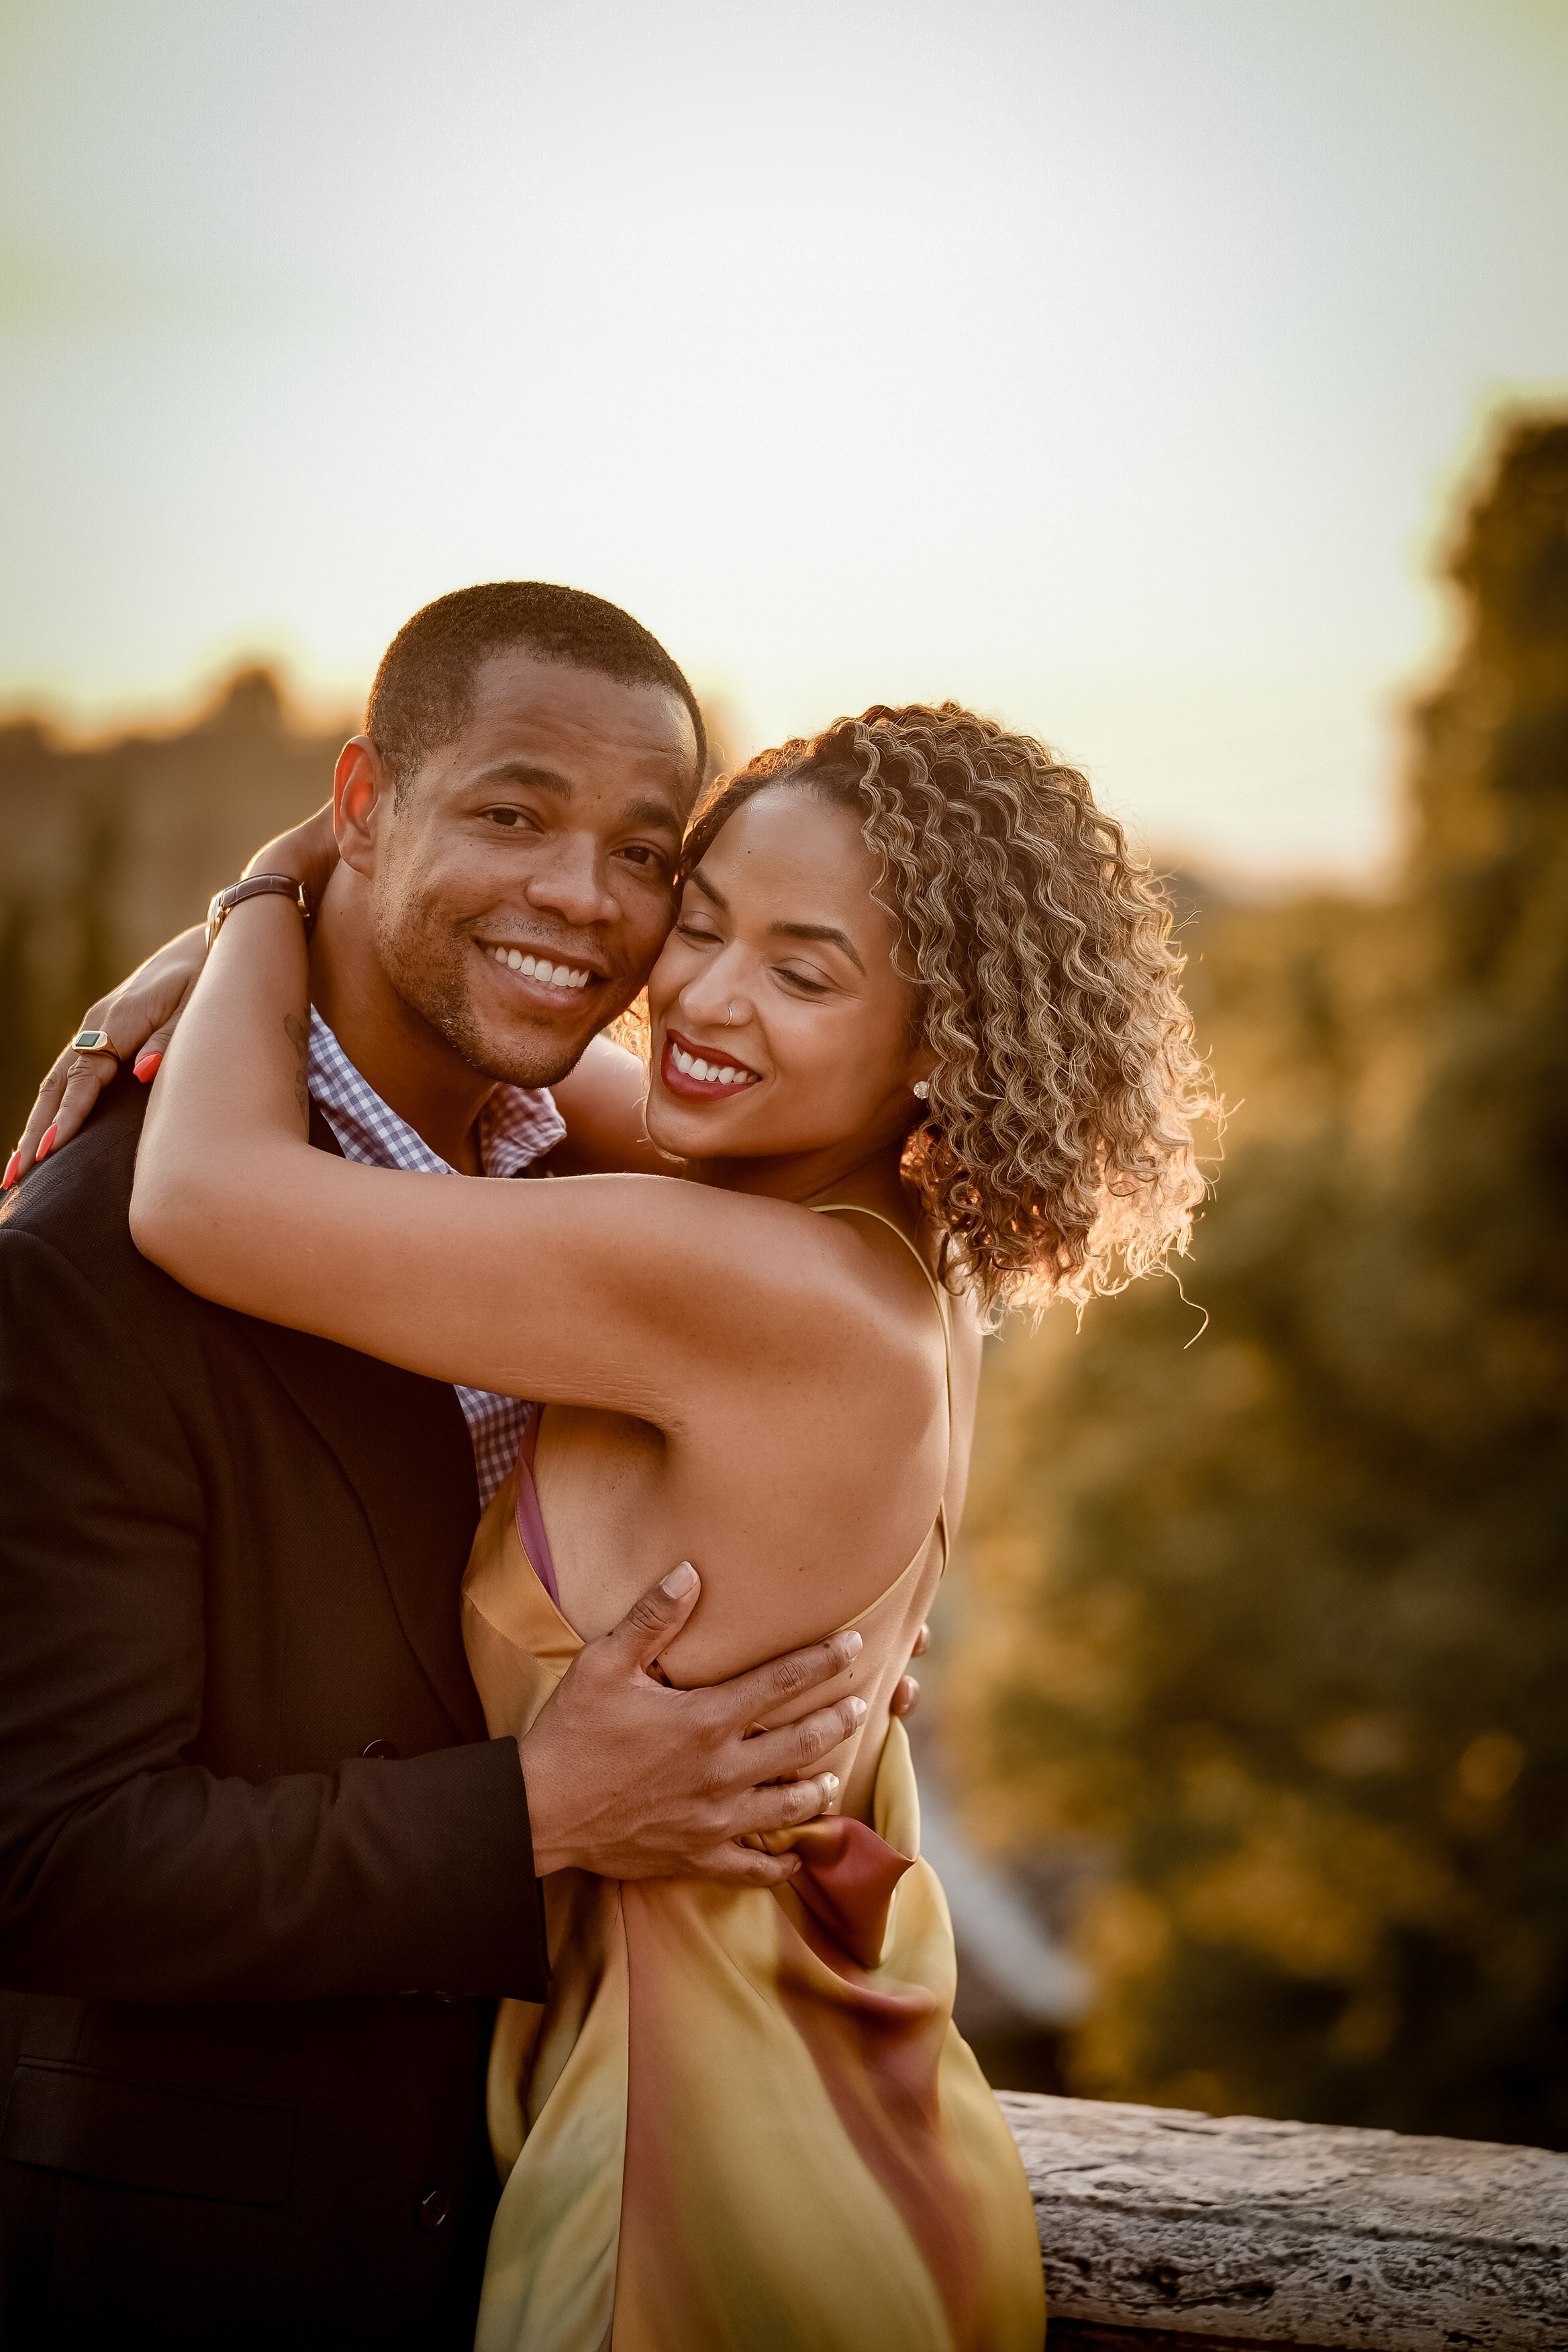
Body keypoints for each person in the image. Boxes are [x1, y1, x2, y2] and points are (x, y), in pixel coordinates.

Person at [126, 697, 1211, 2350]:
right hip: (846, 2133)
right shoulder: (877, 1242)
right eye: (698, 925)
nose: (704, 999)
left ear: (938, 1043)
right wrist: (310, 901)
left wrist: (272, 891)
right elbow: (509, 1050)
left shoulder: (739, 1285)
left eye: (803, 973)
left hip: (697, 2189)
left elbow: (202, 1196)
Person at [0, 585, 896, 2351]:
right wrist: (540, 1810)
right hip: (205, 2271)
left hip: (544, 2208)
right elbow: (47, 1859)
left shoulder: (602, 1199)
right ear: (361, 804)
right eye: (511, 812)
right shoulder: (86, 1264)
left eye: (644, 854)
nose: (584, 897)